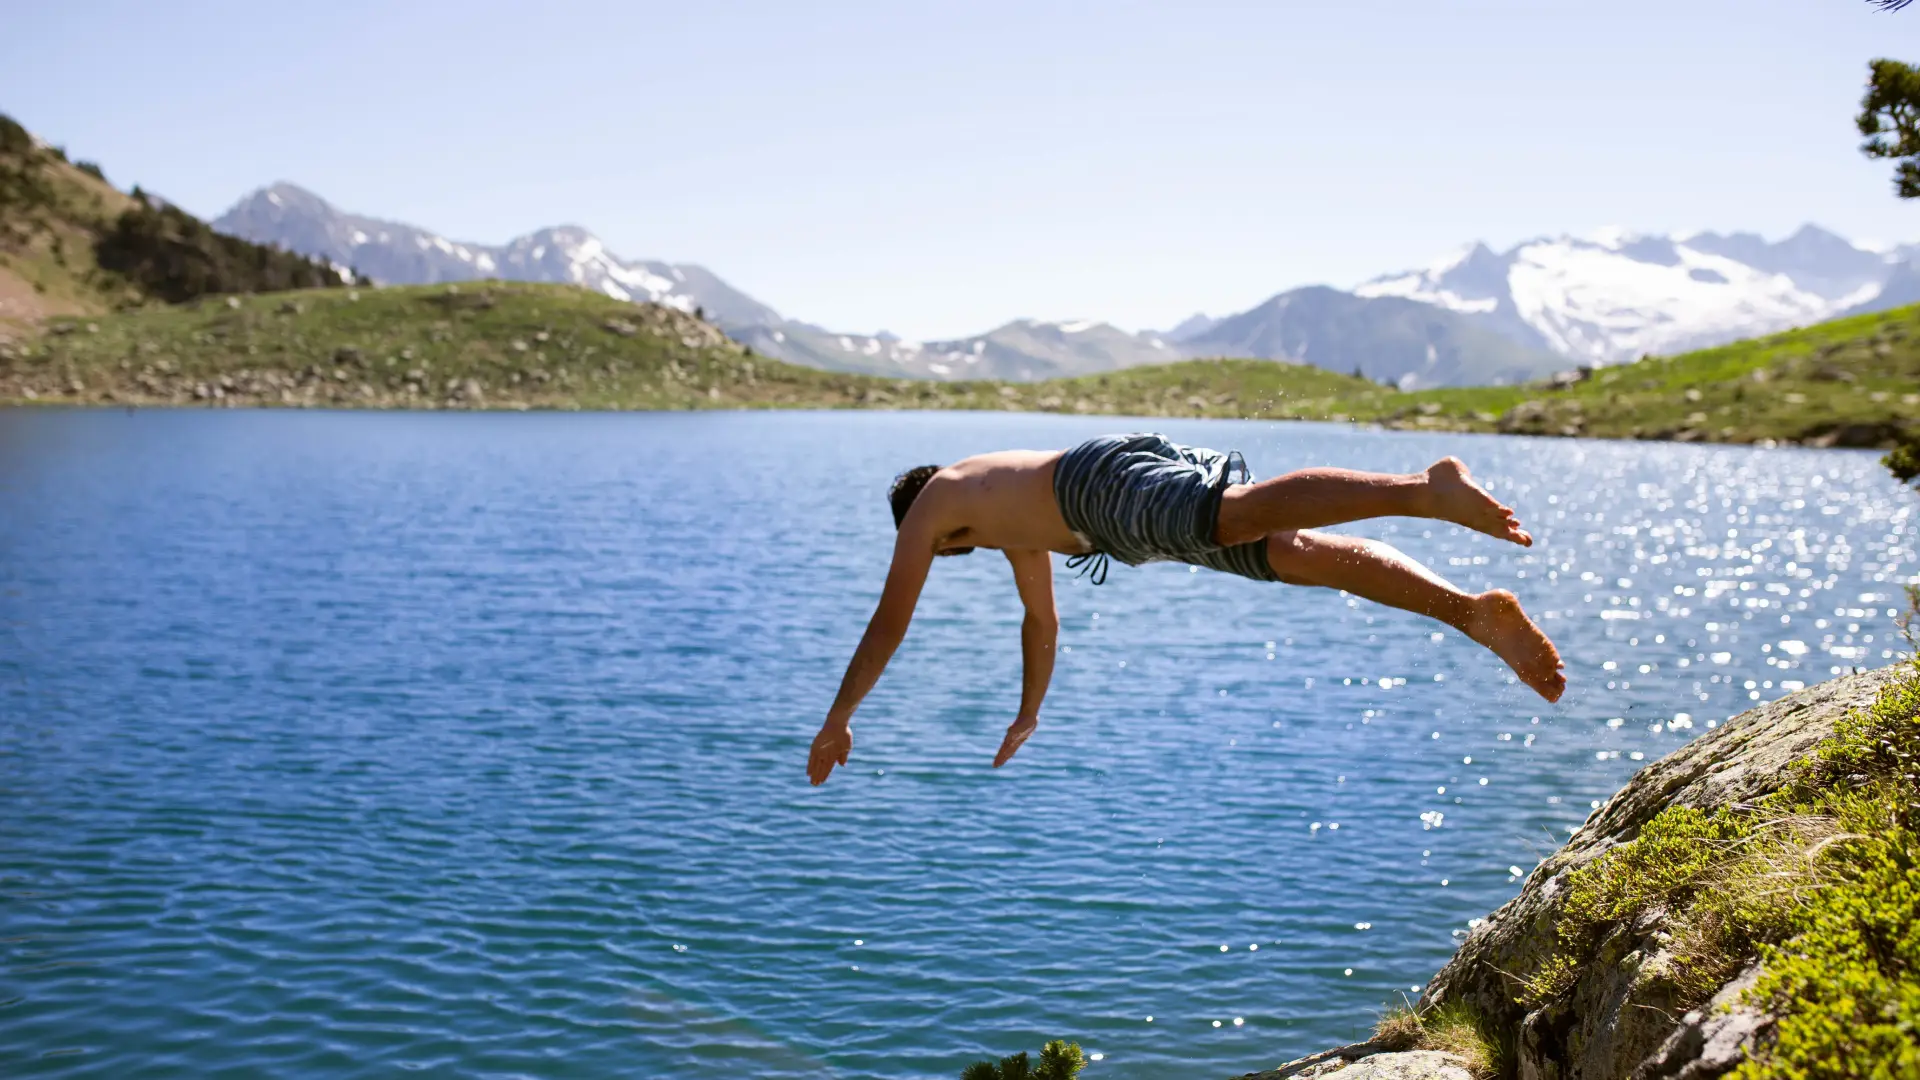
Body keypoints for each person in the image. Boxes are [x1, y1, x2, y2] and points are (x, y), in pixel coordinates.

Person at [806, 433, 1565, 786]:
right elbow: (1041, 622)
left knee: (1235, 514)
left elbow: (889, 619)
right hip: (1112, 516)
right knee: (1292, 556)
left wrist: (840, 715)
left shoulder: (934, 501)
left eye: (934, 550)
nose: (938, 554)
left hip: (1097, 490)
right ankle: (1470, 613)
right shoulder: (1001, 517)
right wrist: (1028, 712)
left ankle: (1422, 489)